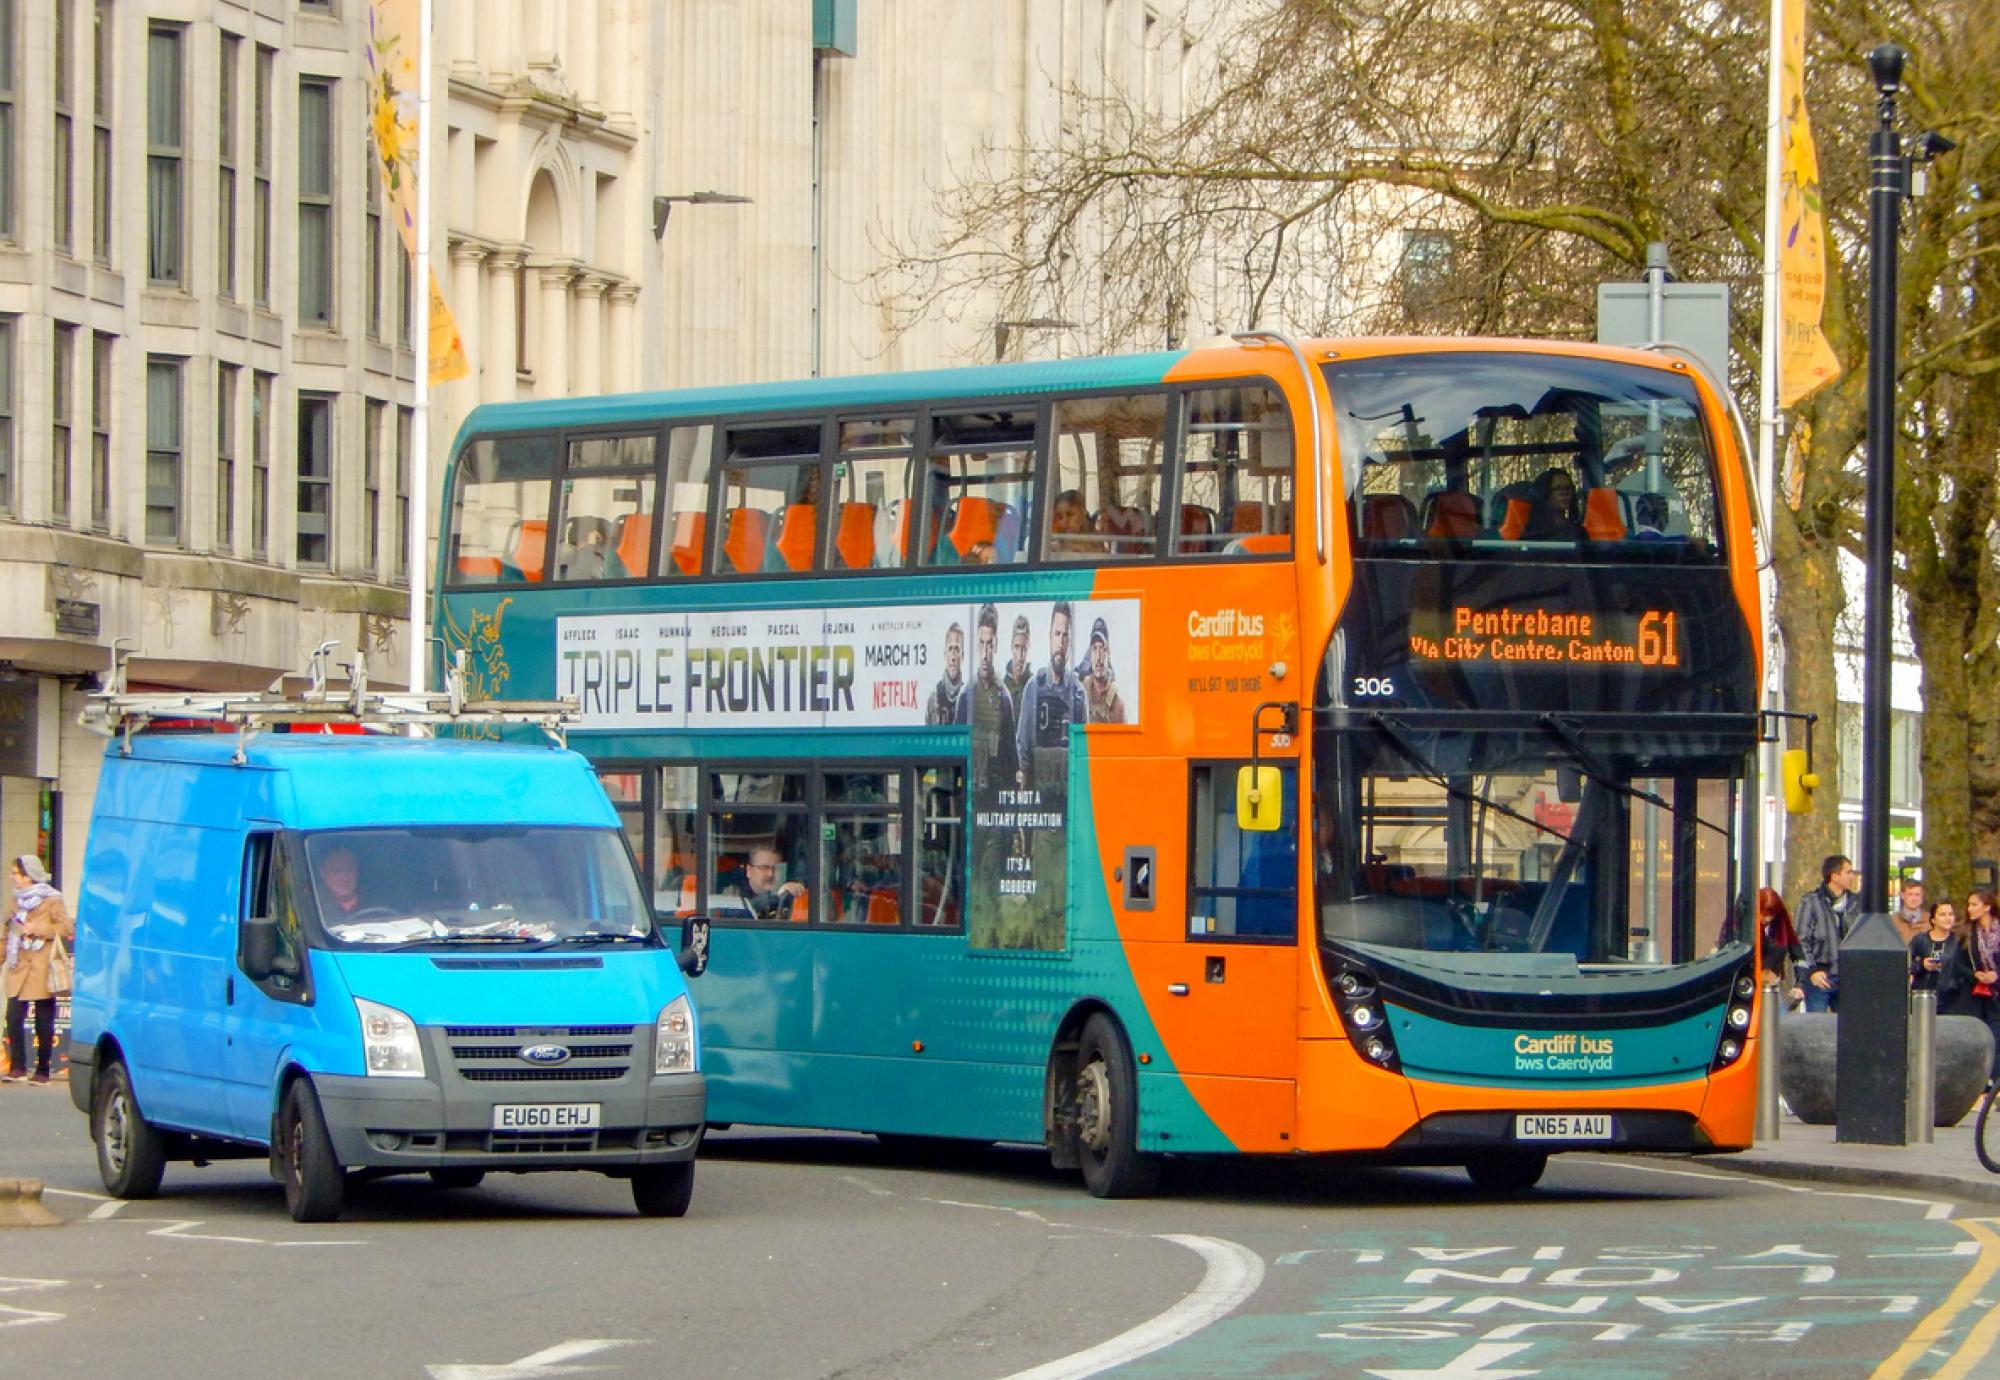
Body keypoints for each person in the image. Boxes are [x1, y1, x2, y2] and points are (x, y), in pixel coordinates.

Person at [5, 855, 74, 1086]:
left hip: (42, 966)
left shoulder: (52, 900)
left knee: (44, 1020)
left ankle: (42, 1070)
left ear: (28, 876)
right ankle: (18, 1067)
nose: (13, 877)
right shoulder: (14, 901)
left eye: (16, 873)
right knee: (13, 1015)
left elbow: (66, 927)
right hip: (19, 964)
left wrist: (38, 928)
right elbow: (8, 929)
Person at [1015, 599, 1085, 792]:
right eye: (1057, 634)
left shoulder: (1078, 692)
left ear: (1069, 642)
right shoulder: (1033, 687)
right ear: (1049, 636)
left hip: (1066, 795)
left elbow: (1082, 754)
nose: (1060, 642)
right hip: (1039, 797)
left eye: (1065, 636)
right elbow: (1023, 748)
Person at [1940, 890, 2000, 1075]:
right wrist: (1977, 975)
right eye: (1969, 904)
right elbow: (1958, 963)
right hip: (1976, 993)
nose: (1970, 908)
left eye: (1974, 904)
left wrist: (1996, 975)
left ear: (1987, 907)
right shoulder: (1966, 933)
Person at [1795, 854, 1857, 1012]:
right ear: (1835, 876)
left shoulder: (1857, 903)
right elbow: (1801, 941)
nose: (1853, 876)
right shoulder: (1811, 902)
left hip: (1849, 975)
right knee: (1816, 1026)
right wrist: (1812, 972)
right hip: (1821, 975)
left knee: (1849, 1027)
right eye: (1848, 872)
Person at [1756, 886, 1804, 1004]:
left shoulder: (1782, 925)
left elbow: (1798, 955)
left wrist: (1799, 985)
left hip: (1774, 987)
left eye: (1771, 915)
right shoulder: (1745, 926)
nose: (1767, 918)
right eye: (1764, 913)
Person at [737, 845, 806, 921]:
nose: (771, 874)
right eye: (764, 867)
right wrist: (776, 896)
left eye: (777, 868)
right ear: (749, 870)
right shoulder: (732, 895)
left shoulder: (790, 897)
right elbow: (744, 911)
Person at [1521, 467, 1587, 541]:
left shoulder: (1579, 532)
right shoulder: (1533, 531)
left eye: (1568, 488)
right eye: (1558, 488)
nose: (1565, 493)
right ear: (1545, 493)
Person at [1081, 616, 1125, 724]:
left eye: (1103, 648)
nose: (1098, 657)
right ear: (1090, 654)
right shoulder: (1080, 695)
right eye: (1095, 648)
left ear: (1108, 654)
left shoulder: (1117, 704)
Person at [1910, 898, 1956, 993]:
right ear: (1933, 919)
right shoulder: (1920, 939)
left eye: (1950, 914)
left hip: (1951, 996)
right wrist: (1922, 965)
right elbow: (1905, 963)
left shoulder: (1958, 941)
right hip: (1923, 993)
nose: (1948, 918)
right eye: (1942, 915)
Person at [925, 621, 966, 725]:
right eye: (950, 649)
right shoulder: (934, 699)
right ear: (945, 654)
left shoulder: (969, 698)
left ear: (962, 656)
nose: (953, 657)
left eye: (957, 649)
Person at [318, 845, 368, 919]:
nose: (345, 877)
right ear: (323, 873)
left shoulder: (375, 902)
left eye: (349, 869)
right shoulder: (314, 906)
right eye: (337, 870)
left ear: (357, 871)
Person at [1047, 489, 1094, 556]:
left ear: (1083, 513)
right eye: (1060, 517)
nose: (1065, 521)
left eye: (1070, 514)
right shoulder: (1052, 549)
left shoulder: (1098, 544)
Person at [1003, 614, 1033, 703]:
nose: (1020, 656)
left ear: (1028, 648)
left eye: (1024, 648)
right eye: (1017, 647)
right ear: (1011, 647)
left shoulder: (1034, 687)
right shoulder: (1001, 688)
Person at [1892, 878, 1926, 945]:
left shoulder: (1930, 920)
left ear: (1922, 896)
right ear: (1902, 895)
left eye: (1917, 895)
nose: (1914, 898)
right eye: (1910, 894)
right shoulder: (1893, 920)